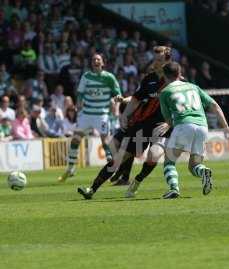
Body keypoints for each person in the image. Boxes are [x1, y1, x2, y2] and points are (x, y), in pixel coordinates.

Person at [77, 46, 172, 199]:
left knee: (153, 156)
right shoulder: (149, 79)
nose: (156, 62)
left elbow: (181, 106)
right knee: (118, 158)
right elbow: (135, 99)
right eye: (155, 59)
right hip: (142, 127)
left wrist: (171, 122)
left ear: (168, 61)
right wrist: (124, 116)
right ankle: (92, 190)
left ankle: (137, 180)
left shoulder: (175, 81)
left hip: (161, 127)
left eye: (160, 60)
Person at [159, 62, 229, 199]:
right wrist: (226, 127)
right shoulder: (194, 87)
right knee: (194, 165)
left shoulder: (165, 92)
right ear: (180, 73)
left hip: (184, 125)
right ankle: (204, 171)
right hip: (202, 127)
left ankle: (174, 188)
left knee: (169, 161)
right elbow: (214, 105)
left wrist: (166, 125)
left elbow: (169, 119)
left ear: (164, 76)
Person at [58, 53, 121, 182]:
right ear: (91, 63)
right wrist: (79, 103)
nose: (95, 61)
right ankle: (70, 169)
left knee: (105, 141)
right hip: (86, 114)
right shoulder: (86, 76)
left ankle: (112, 169)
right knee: (75, 140)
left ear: (103, 63)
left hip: (102, 114)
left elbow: (118, 94)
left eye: (98, 59)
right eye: (93, 59)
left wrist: (116, 106)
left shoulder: (109, 77)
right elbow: (80, 93)